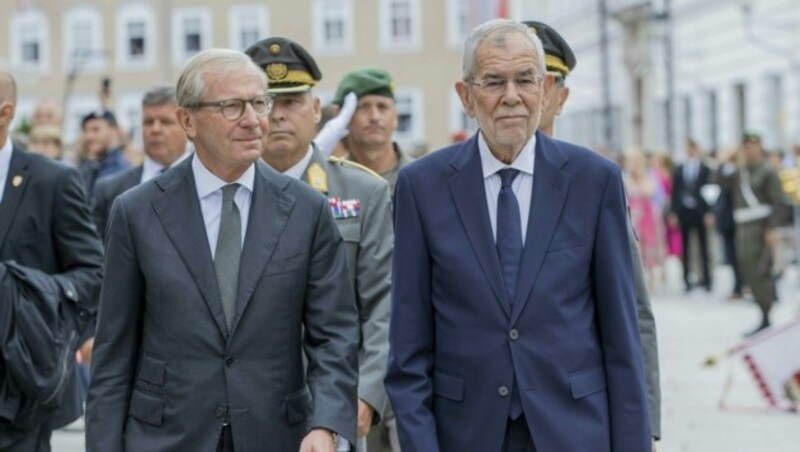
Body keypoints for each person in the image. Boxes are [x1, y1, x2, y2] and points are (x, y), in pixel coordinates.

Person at [385, 19, 650, 452]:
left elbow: (623, 338)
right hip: (466, 433)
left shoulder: (593, 181)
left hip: (574, 431)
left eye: (525, 79)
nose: (511, 96)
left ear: (545, 90)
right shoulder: (422, 187)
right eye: (493, 81)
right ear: (466, 96)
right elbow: (408, 351)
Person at [85, 48, 359, 452]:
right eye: (231, 106)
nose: (253, 120)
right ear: (188, 120)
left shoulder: (307, 209)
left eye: (259, 103)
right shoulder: (137, 211)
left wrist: (327, 423)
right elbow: (114, 353)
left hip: (278, 436)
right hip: (167, 437)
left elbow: (333, 336)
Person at [245, 37, 394, 452]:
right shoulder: (225, 192)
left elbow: (385, 301)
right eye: (265, 102)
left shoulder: (363, 191)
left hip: (332, 407)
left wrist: (367, 392)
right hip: (243, 409)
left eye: (291, 101)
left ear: (316, 110)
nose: (277, 115)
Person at [524, 20, 662, 446]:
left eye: (539, 79)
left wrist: (645, 424)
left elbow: (632, 312)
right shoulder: (449, 184)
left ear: (560, 97)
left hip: (571, 417)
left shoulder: (592, 183)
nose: (526, 92)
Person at [0, 71, 104, 451]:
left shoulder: (51, 180)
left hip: (19, 390)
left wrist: (24, 291)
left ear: (4, 112)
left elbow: (92, 273)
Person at [92, 86, 191, 242]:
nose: (155, 129)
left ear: (187, 125)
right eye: (148, 122)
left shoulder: (208, 184)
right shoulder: (109, 191)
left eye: (166, 122)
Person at [719, 133, 785, 335]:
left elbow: (778, 202)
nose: (749, 150)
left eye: (752, 147)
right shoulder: (741, 171)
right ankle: (762, 309)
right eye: (745, 147)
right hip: (744, 228)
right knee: (747, 269)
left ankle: (766, 314)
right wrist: (726, 161)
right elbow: (721, 183)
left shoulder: (767, 171)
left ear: (759, 147)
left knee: (760, 270)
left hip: (760, 228)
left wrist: (772, 228)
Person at [333, 68, 413, 192]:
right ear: (343, 117)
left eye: (383, 107)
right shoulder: (332, 180)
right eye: (363, 107)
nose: (374, 117)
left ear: (395, 116)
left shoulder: (420, 176)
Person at [670, 138, 713, 292]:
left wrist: (709, 212)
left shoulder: (705, 168)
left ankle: (707, 279)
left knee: (703, 246)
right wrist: (673, 212)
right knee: (686, 247)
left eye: (692, 148)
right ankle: (687, 279)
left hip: (700, 212)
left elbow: (710, 190)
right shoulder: (680, 168)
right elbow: (675, 192)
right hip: (684, 212)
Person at [77, 110, 131, 200]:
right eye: (86, 130)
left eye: (96, 130)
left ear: (113, 131)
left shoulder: (122, 170)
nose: (89, 137)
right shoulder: (87, 167)